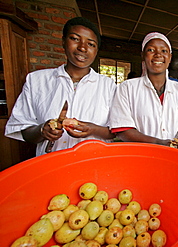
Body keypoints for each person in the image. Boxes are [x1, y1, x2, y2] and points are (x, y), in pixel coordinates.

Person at [5, 17, 116, 156]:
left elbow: (118, 131)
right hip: (51, 163)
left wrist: (93, 129)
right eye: (75, 39)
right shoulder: (37, 80)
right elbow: (22, 129)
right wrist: (42, 131)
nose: (82, 47)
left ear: (96, 50)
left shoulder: (108, 85)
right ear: (63, 41)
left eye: (91, 44)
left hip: (93, 162)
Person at [109, 32, 178, 151]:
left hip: (175, 157)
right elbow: (123, 129)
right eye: (151, 50)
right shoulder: (127, 88)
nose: (158, 55)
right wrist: (159, 143)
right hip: (141, 157)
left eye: (164, 51)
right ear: (143, 55)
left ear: (170, 57)